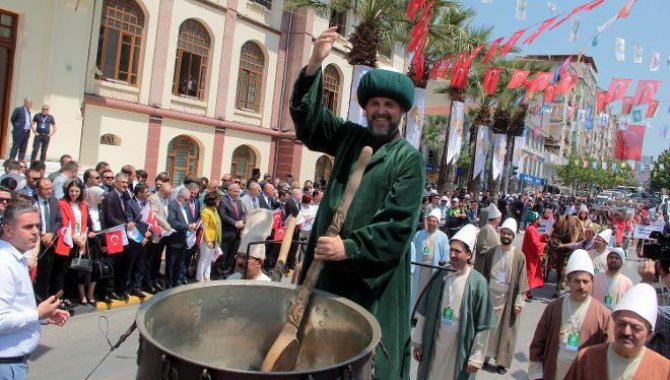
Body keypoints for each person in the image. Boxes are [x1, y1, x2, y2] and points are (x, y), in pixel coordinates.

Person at [290, 27, 425, 379]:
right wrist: (313, 66)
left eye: (389, 105)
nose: (381, 111)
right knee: (314, 358)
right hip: (325, 275)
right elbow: (310, 124)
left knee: (363, 363)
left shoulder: (408, 160)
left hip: (370, 285)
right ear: (365, 108)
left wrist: (348, 247)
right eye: (375, 104)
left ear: (401, 112)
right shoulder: (349, 137)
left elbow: (398, 226)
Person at [412, 224, 495, 380]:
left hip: (459, 346)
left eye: (457, 251)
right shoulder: (440, 276)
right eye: (451, 250)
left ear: (469, 255)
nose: (452, 254)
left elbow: (483, 325)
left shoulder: (478, 283)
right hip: (435, 341)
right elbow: (425, 312)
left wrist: (476, 357)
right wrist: (418, 342)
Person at [0, 202, 70, 378]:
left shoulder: (16, 259)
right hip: (6, 366)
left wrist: (43, 317)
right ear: (8, 230)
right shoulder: (4, 263)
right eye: (28, 227)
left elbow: (15, 308)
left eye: (37, 226)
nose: (35, 232)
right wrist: (37, 314)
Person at [528, 249, 612, 380]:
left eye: (586, 281)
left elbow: (609, 353)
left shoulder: (603, 315)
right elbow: (538, 343)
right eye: (577, 281)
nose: (582, 286)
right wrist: (537, 374)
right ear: (568, 281)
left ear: (592, 282)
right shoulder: (553, 308)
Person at [565, 284, 670, 379]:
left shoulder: (663, 370)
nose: (626, 332)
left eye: (635, 327)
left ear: (649, 335)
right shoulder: (587, 358)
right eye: (622, 324)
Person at [476, 218, 529, 374]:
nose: (506, 236)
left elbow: (522, 281)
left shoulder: (519, 256)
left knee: (506, 331)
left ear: (513, 236)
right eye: (504, 233)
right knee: (488, 328)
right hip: (491, 294)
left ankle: (502, 362)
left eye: (509, 234)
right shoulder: (492, 252)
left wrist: (519, 301)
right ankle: (484, 356)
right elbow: (484, 274)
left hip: (508, 297)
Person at [54, 178, 89, 305]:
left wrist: (82, 237)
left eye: (77, 191)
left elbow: (84, 223)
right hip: (67, 241)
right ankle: (59, 299)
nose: (74, 193)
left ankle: (67, 297)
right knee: (61, 272)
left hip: (79, 241)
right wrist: (75, 237)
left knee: (72, 272)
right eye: (71, 191)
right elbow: (64, 223)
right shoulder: (62, 203)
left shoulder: (83, 205)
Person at [411, 208, 450, 309]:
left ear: (437, 223)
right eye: (430, 220)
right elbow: (413, 251)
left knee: (429, 292)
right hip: (419, 269)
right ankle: (414, 314)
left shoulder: (443, 237)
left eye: (434, 221)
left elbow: (445, 255)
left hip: (433, 270)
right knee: (417, 292)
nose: (431, 223)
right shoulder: (419, 234)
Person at [32, 178, 63, 302]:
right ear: (38, 189)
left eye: (51, 188)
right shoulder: (31, 202)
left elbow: (59, 220)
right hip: (34, 244)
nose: (49, 191)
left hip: (50, 243)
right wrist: (41, 235)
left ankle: (42, 303)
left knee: (45, 276)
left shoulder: (54, 201)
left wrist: (51, 234)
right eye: (46, 189)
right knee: (34, 275)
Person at [165, 187, 194, 288]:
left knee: (179, 264)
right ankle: (169, 283)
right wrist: (187, 226)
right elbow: (172, 222)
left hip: (182, 240)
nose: (187, 202)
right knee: (171, 264)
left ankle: (175, 282)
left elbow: (183, 220)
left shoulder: (182, 206)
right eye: (186, 199)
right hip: (174, 240)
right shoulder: (173, 205)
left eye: (188, 200)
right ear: (180, 197)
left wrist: (190, 225)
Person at [216, 183, 245, 277]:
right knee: (224, 253)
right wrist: (235, 223)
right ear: (229, 191)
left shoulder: (238, 201)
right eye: (235, 191)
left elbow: (243, 213)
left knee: (233, 252)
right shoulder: (223, 201)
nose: (237, 193)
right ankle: (220, 271)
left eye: (238, 191)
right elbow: (223, 216)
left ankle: (228, 270)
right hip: (227, 232)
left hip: (236, 233)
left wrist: (242, 221)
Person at [197, 192, 222, 281]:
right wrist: (208, 240)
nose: (219, 202)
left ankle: (207, 277)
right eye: (218, 200)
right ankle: (200, 278)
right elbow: (204, 227)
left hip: (214, 239)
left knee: (209, 260)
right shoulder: (205, 212)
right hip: (207, 240)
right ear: (213, 201)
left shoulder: (214, 210)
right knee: (203, 259)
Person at [522, 211, 545, 299]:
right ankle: (525, 294)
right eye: (539, 219)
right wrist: (544, 245)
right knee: (530, 274)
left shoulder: (533, 229)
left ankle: (528, 293)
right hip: (530, 256)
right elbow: (535, 244)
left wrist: (543, 237)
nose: (541, 220)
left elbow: (537, 239)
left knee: (531, 273)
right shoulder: (532, 229)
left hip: (531, 255)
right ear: (536, 220)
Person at [474, 203, 501, 269]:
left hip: (491, 263)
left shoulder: (494, 229)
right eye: (499, 217)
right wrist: (496, 251)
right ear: (496, 219)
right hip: (483, 264)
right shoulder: (486, 229)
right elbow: (481, 246)